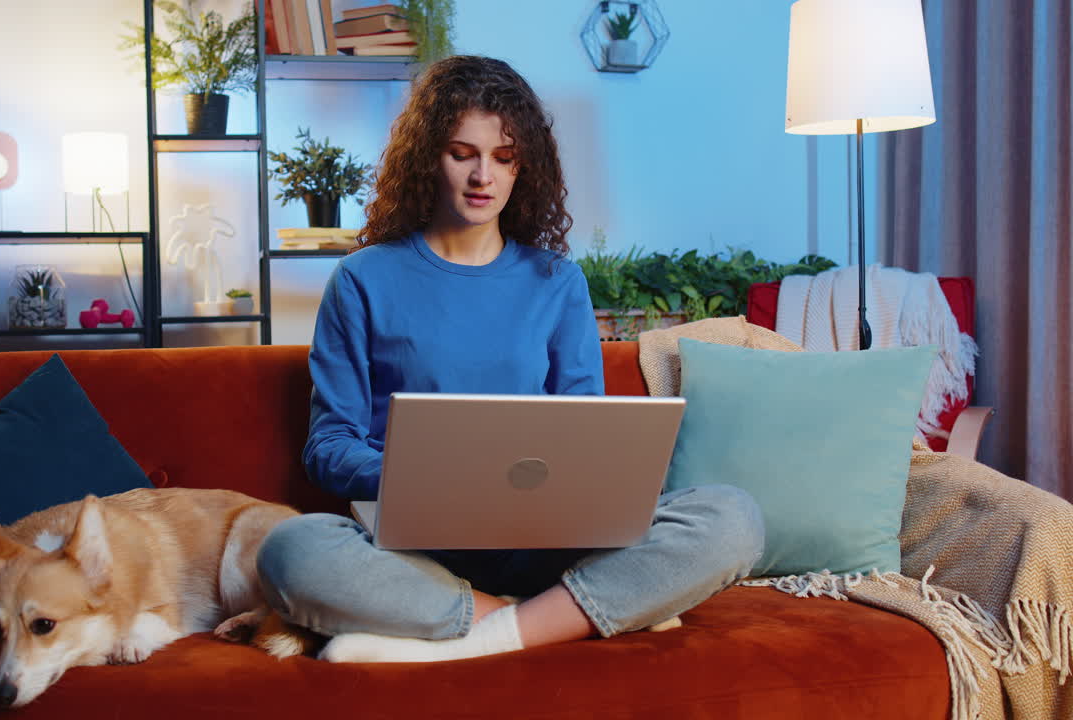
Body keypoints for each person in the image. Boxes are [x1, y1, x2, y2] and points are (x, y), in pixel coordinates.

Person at [256, 55, 764, 663]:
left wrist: (592, 483)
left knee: (733, 516)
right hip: (414, 548)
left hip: (546, 540)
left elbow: (584, 429)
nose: (483, 176)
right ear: (428, 157)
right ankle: (559, 614)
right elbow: (330, 444)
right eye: (462, 153)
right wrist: (422, 476)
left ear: (525, 167)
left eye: (503, 157)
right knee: (291, 550)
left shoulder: (557, 282)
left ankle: (478, 628)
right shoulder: (362, 279)